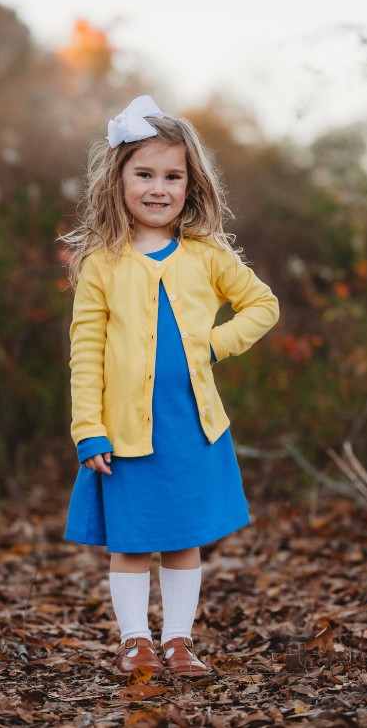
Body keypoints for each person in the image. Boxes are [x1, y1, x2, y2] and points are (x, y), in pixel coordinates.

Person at [59, 96, 279, 676]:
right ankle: (135, 641)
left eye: (172, 176)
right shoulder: (102, 262)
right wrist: (88, 429)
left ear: (191, 184)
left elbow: (263, 304)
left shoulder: (207, 255)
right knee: (131, 541)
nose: (158, 188)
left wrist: (214, 344)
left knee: (184, 537)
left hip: (191, 424)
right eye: (145, 174)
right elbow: (86, 353)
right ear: (118, 179)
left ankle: (178, 641)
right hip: (125, 431)